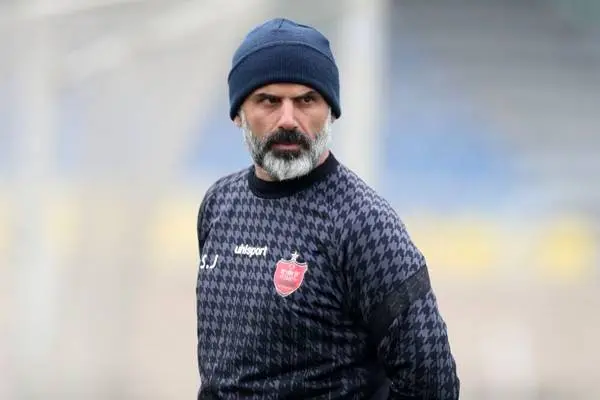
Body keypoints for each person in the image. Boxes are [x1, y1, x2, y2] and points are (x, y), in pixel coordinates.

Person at [196, 17, 460, 399]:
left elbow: (433, 383)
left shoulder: (365, 225)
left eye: (306, 100)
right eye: (269, 100)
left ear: (331, 111)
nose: (288, 120)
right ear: (238, 113)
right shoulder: (219, 205)